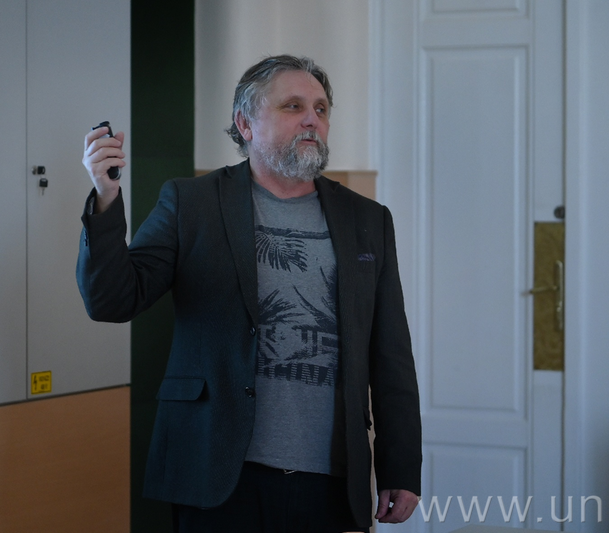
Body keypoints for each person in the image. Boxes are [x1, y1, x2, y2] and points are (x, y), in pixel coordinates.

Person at [78, 55, 422, 532]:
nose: (312, 119)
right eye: (293, 106)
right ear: (245, 124)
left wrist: (400, 466)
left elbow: (391, 353)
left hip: (330, 479)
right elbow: (112, 300)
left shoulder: (368, 219)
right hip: (215, 471)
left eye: (321, 109)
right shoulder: (191, 202)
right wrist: (106, 199)